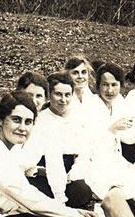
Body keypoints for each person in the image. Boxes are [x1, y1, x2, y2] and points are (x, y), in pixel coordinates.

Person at [25, 73, 94, 207]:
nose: (63, 100)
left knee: (82, 191)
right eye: (58, 94)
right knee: (40, 192)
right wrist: (41, 171)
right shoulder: (39, 119)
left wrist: (73, 174)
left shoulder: (78, 119)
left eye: (67, 95)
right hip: (44, 171)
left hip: (70, 171)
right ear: (49, 94)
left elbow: (84, 151)